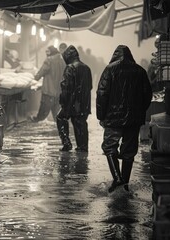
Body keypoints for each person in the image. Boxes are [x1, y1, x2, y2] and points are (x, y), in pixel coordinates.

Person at [96, 45, 152, 193]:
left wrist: (101, 116)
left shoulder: (110, 69)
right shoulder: (140, 71)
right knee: (129, 150)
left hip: (113, 118)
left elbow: (102, 93)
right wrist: (139, 112)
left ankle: (117, 178)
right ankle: (125, 183)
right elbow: (147, 96)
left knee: (109, 146)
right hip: (133, 119)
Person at [56, 45, 92, 152]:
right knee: (81, 123)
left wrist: (63, 102)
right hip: (84, 102)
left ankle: (66, 143)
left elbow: (66, 87)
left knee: (60, 118)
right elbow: (90, 86)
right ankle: (83, 146)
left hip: (72, 102)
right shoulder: (86, 68)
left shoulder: (70, 68)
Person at [30, 45, 66, 122]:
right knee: (56, 107)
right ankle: (59, 122)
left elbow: (43, 70)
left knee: (44, 106)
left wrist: (35, 78)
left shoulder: (49, 60)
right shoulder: (62, 60)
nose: (46, 53)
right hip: (59, 89)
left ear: (51, 51)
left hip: (49, 89)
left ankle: (37, 119)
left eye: (48, 51)